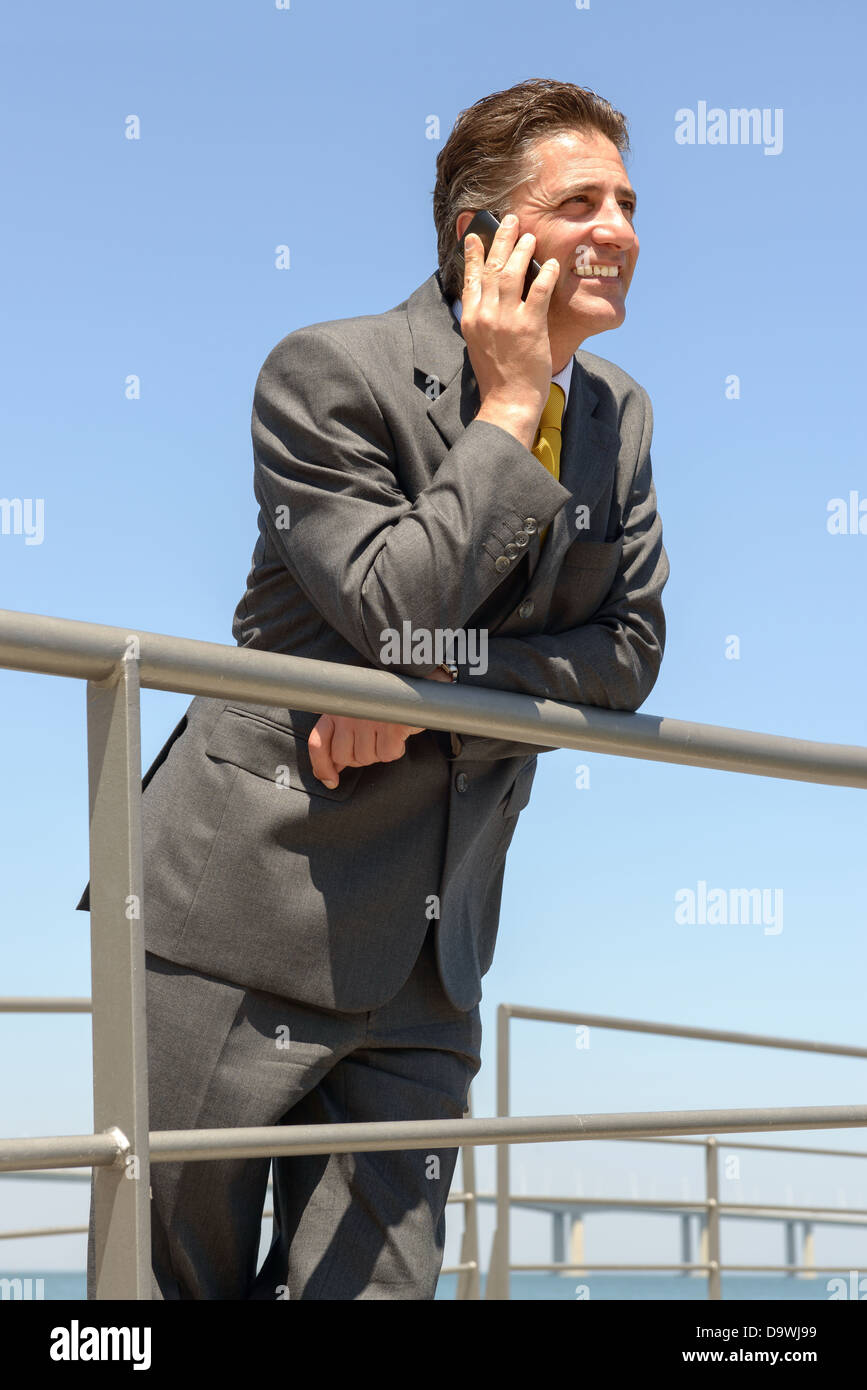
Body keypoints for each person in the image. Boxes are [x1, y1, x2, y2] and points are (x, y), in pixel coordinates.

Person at [76, 76, 669, 1300]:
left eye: (629, 200)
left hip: (432, 957)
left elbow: (629, 651)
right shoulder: (324, 373)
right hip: (240, 914)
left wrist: (424, 690)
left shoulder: (621, 417)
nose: (623, 229)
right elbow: (395, 599)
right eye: (581, 202)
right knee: (164, 1292)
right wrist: (509, 410)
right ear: (484, 238)